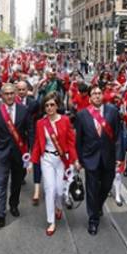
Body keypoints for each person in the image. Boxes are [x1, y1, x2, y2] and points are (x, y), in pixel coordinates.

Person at [74, 85, 123, 236]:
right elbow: (79, 140)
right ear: (89, 97)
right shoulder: (82, 115)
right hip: (90, 158)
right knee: (92, 189)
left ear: (103, 95)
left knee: (107, 186)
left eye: (99, 93)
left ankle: (98, 206)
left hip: (108, 157)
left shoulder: (112, 111)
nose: (96, 95)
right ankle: (93, 220)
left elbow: (119, 136)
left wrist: (120, 157)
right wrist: (78, 160)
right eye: (93, 94)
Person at [30, 92, 78, 236]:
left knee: (59, 190)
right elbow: (38, 144)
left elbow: (71, 142)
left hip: (62, 159)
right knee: (49, 189)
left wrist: (75, 160)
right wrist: (32, 162)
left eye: (52, 105)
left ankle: (58, 206)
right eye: (47, 105)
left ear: (57, 106)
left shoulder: (65, 120)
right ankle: (51, 221)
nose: (49, 108)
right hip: (47, 159)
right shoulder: (40, 123)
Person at [0, 83, 31, 229]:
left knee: (17, 182)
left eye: (12, 93)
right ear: (2, 95)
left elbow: (30, 132)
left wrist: (29, 152)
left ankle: (13, 204)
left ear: (15, 94)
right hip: (2, 152)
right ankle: (0, 214)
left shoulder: (24, 110)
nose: (10, 96)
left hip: (19, 153)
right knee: (1, 182)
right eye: (7, 93)